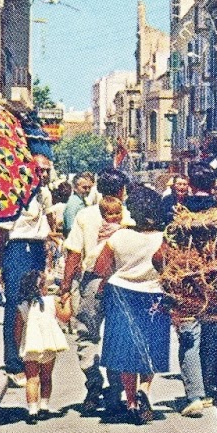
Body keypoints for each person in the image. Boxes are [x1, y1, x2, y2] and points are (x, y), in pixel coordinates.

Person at [62, 168, 134, 414]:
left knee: (87, 334)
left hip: (92, 280)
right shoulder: (129, 214)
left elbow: (73, 253)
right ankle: (116, 388)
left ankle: (94, 385)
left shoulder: (85, 215)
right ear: (122, 190)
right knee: (118, 334)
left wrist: (65, 285)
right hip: (124, 281)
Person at [95, 203, 170, 425]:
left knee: (127, 349)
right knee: (150, 345)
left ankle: (131, 403)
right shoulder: (164, 237)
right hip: (154, 293)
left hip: (121, 293)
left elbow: (100, 267)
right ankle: (144, 388)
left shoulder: (119, 236)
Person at [0, 166, 53, 388]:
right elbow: (2, 231)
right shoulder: (12, 192)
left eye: (46, 170)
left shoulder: (43, 194)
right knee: (15, 304)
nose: (43, 174)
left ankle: (30, 353)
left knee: (34, 303)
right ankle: (13, 363)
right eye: (39, 170)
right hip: (17, 248)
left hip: (37, 248)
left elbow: (48, 222)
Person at [170, 163, 217, 416]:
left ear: (190, 184)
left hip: (188, 282)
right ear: (213, 186)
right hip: (216, 282)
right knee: (211, 335)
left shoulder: (179, 212)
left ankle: (195, 395)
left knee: (190, 337)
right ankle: (209, 388)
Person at [14, 268, 68, 424]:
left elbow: (17, 329)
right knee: (46, 377)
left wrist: (19, 346)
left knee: (32, 378)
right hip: (48, 345)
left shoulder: (23, 306)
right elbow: (65, 316)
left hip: (31, 346)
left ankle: (32, 411)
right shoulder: (52, 301)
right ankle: (44, 407)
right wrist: (67, 299)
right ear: (42, 287)